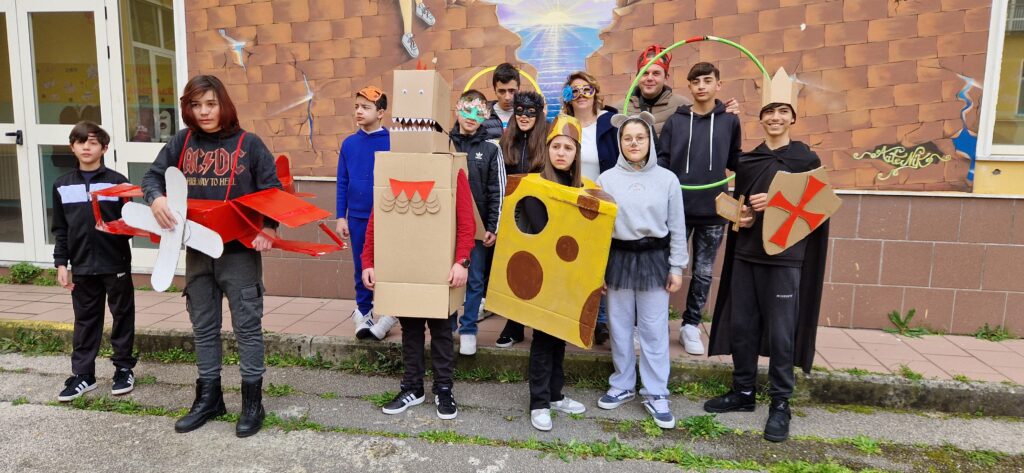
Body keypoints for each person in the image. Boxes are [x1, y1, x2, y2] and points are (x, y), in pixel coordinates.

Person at [142, 75, 281, 438]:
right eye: (196, 105)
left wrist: (270, 229)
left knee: (247, 328)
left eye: (210, 104)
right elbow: (152, 177)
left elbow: (273, 192)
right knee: (203, 328)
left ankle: (253, 402)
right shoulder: (181, 142)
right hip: (197, 253)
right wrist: (155, 198)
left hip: (239, 253)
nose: (203, 112)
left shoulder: (249, 145)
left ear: (224, 104)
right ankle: (209, 398)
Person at [704, 98, 830, 444]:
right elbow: (742, 208)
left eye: (782, 113)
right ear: (761, 120)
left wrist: (775, 200)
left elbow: (817, 207)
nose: (775, 118)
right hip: (747, 252)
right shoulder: (748, 160)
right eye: (769, 113)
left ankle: (780, 402)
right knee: (743, 324)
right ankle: (743, 392)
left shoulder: (806, 159)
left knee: (781, 331)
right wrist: (738, 214)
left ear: (792, 119)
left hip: (786, 256)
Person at [360, 162, 476, 421]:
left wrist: (462, 260)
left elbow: (466, 221)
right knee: (410, 330)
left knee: (442, 331)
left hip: (441, 270)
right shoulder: (396, 167)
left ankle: (443, 389)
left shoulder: (451, 168)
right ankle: (412, 387)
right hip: (406, 269)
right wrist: (368, 261)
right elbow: (377, 220)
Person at [596, 111, 686, 430]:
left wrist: (676, 266)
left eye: (640, 137)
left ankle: (655, 391)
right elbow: (599, 229)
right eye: (627, 138)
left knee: (653, 326)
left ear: (650, 141)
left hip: (654, 259)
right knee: (618, 325)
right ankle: (621, 382)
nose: (634, 143)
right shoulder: (606, 180)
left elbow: (676, 226)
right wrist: (597, 270)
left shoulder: (667, 180)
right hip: (618, 258)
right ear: (620, 143)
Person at [658, 62, 742, 356]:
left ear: (719, 85)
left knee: (704, 271)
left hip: (713, 210)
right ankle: (654, 323)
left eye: (708, 80)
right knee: (665, 267)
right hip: (677, 208)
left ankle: (690, 325)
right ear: (690, 87)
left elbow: (735, 161)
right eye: (696, 82)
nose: (702, 86)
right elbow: (663, 163)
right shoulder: (676, 122)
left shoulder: (730, 121)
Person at [52, 121, 137, 402]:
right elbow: (61, 229)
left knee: (122, 315)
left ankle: (123, 368)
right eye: (80, 142)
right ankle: (83, 375)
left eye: (92, 142)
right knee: (85, 320)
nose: (86, 147)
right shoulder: (62, 185)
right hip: (82, 266)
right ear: (72, 147)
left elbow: (132, 222)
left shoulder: (117, 182)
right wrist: (62, 264)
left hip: (116, 263)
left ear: (104, 147)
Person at [525, 114, 588, 431]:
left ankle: (555, 394)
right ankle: (539, 402)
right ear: (547, 150)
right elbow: (544, 231)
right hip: (543, 273)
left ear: (576, 154)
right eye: (556, 146)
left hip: (569, 274)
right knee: (543, 337)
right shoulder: (537, 186)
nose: (561, 153)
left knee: (560, 335)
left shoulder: (582, 188)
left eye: (568, 147)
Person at [336, 86, 398, 341]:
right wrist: (341, 216)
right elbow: (342, 181)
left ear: (381, 112)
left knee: (389, 265)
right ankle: (363, 311)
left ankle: (390, 312)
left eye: (366, 107)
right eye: (357, 107)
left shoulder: (393, 141)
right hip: (358, 217)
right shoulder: (349, 144)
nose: (359, 111)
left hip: (387, 217)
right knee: (362, 265)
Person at [449, 90, 506, 355]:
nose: (471, 117)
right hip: (447, 227)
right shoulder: (445, 143)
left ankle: (469, 328)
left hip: (478, 227)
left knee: (474, 280)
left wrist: (492, 226)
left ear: (485, 116)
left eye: (478, 112)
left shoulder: (491, 150)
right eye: (467, 110)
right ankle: (448, 325)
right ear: (457, 110)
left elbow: (497, 190)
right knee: (448, 277)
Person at [561, 70, 617, 344]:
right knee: (573, 260)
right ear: (568, 97)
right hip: (572, 205)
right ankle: (574, 317)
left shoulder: (610, 122)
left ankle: (602, 322)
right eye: (574, 91)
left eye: (586, 89)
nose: (581, 95)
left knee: (600, 265)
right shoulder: (564, 124)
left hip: (601, 203)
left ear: (595, 92)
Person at [494, 90, 547, 348]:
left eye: (530, 112)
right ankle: (514, 324)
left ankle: (540, 321)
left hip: (541, 212)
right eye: (519, 111)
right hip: (514, 211)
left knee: (540, 265)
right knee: (515, 267)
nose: (524, 116)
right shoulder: (508, 140)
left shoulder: (547, 138)